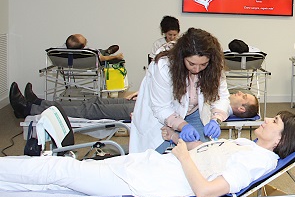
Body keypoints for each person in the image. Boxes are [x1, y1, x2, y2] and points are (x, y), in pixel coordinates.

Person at [0, 111, 295, 197]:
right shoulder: (247, 145)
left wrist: (183, 156)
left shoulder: (257, 160)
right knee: (59, 184)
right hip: (147, 166)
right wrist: (177, 139)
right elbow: (201, 157)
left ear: (280, 139)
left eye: (275, 123)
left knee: (58, 169)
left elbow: (204, 191)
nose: (267, 120)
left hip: (148, 181)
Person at [131, 28, 230, 154]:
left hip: (194, 112)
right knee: (153, 158)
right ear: (182, 56)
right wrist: (182, 126)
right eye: (191, 63)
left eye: (203, 64)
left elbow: (221, 97)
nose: (197, 69)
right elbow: (161, 107)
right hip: (160, 115)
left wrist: (216, 119)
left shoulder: (214, 66)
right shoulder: (164, 66)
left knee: (202, 152)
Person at [8, 82, 259, 121]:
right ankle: (39, 102)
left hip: (151, 113)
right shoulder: (221, 98)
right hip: (151, 103)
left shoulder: (221, 107)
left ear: (240, 108)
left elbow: (213, 113)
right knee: (96, 101)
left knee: (92, 109)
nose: (241, 92)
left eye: (245, 97)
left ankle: (30, 109)